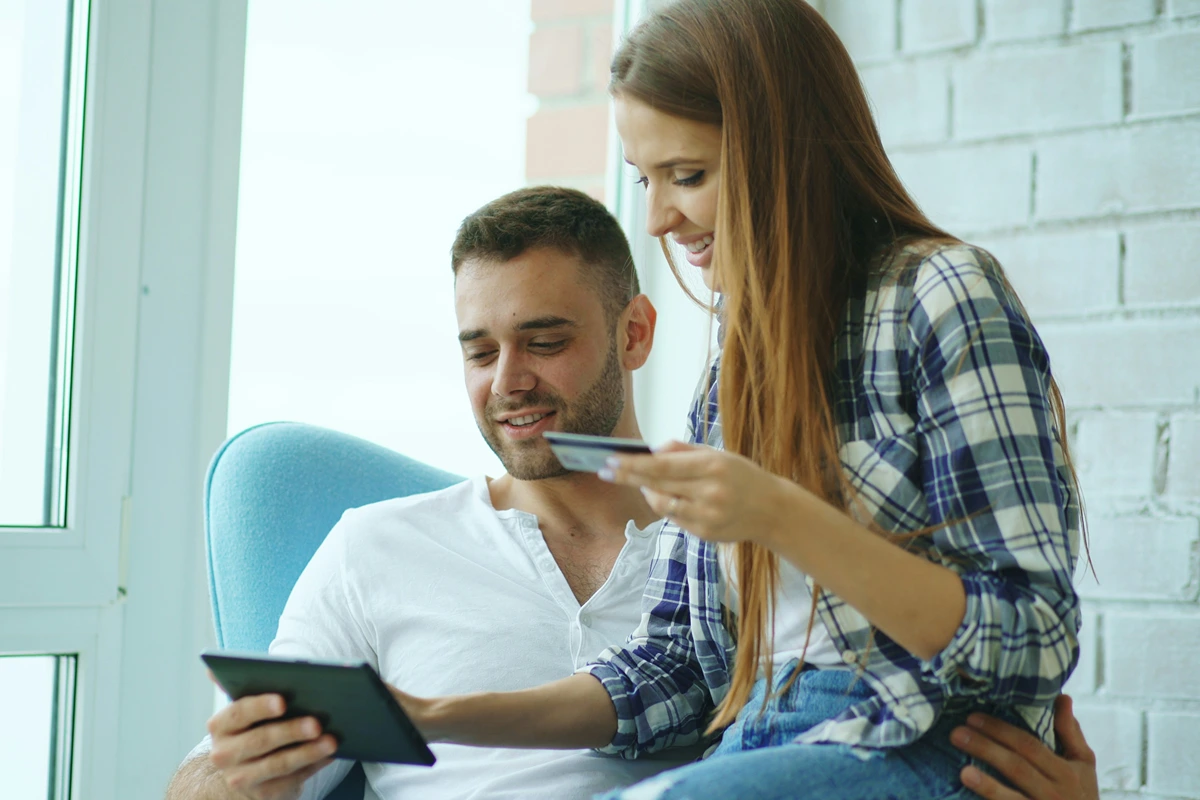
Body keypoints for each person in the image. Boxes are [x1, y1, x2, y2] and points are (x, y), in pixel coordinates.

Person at [386, 2, 1090, 798]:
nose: (657, 218)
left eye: (688, 176)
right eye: (646, 179)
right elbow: (676, 669)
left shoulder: (940, 295)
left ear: (786, 153)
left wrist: (778, 514)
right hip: (759, 735)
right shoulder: (735, 360)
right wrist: (434, 713)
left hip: (914, 739)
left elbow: (1033, 637)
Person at [166, 186, 694, 800]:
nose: (507, 382)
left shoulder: (722, 550)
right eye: (480, 352)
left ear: (634, 334)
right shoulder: (377, 548)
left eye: (544, 343)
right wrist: (243, 780)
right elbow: (216, 768)